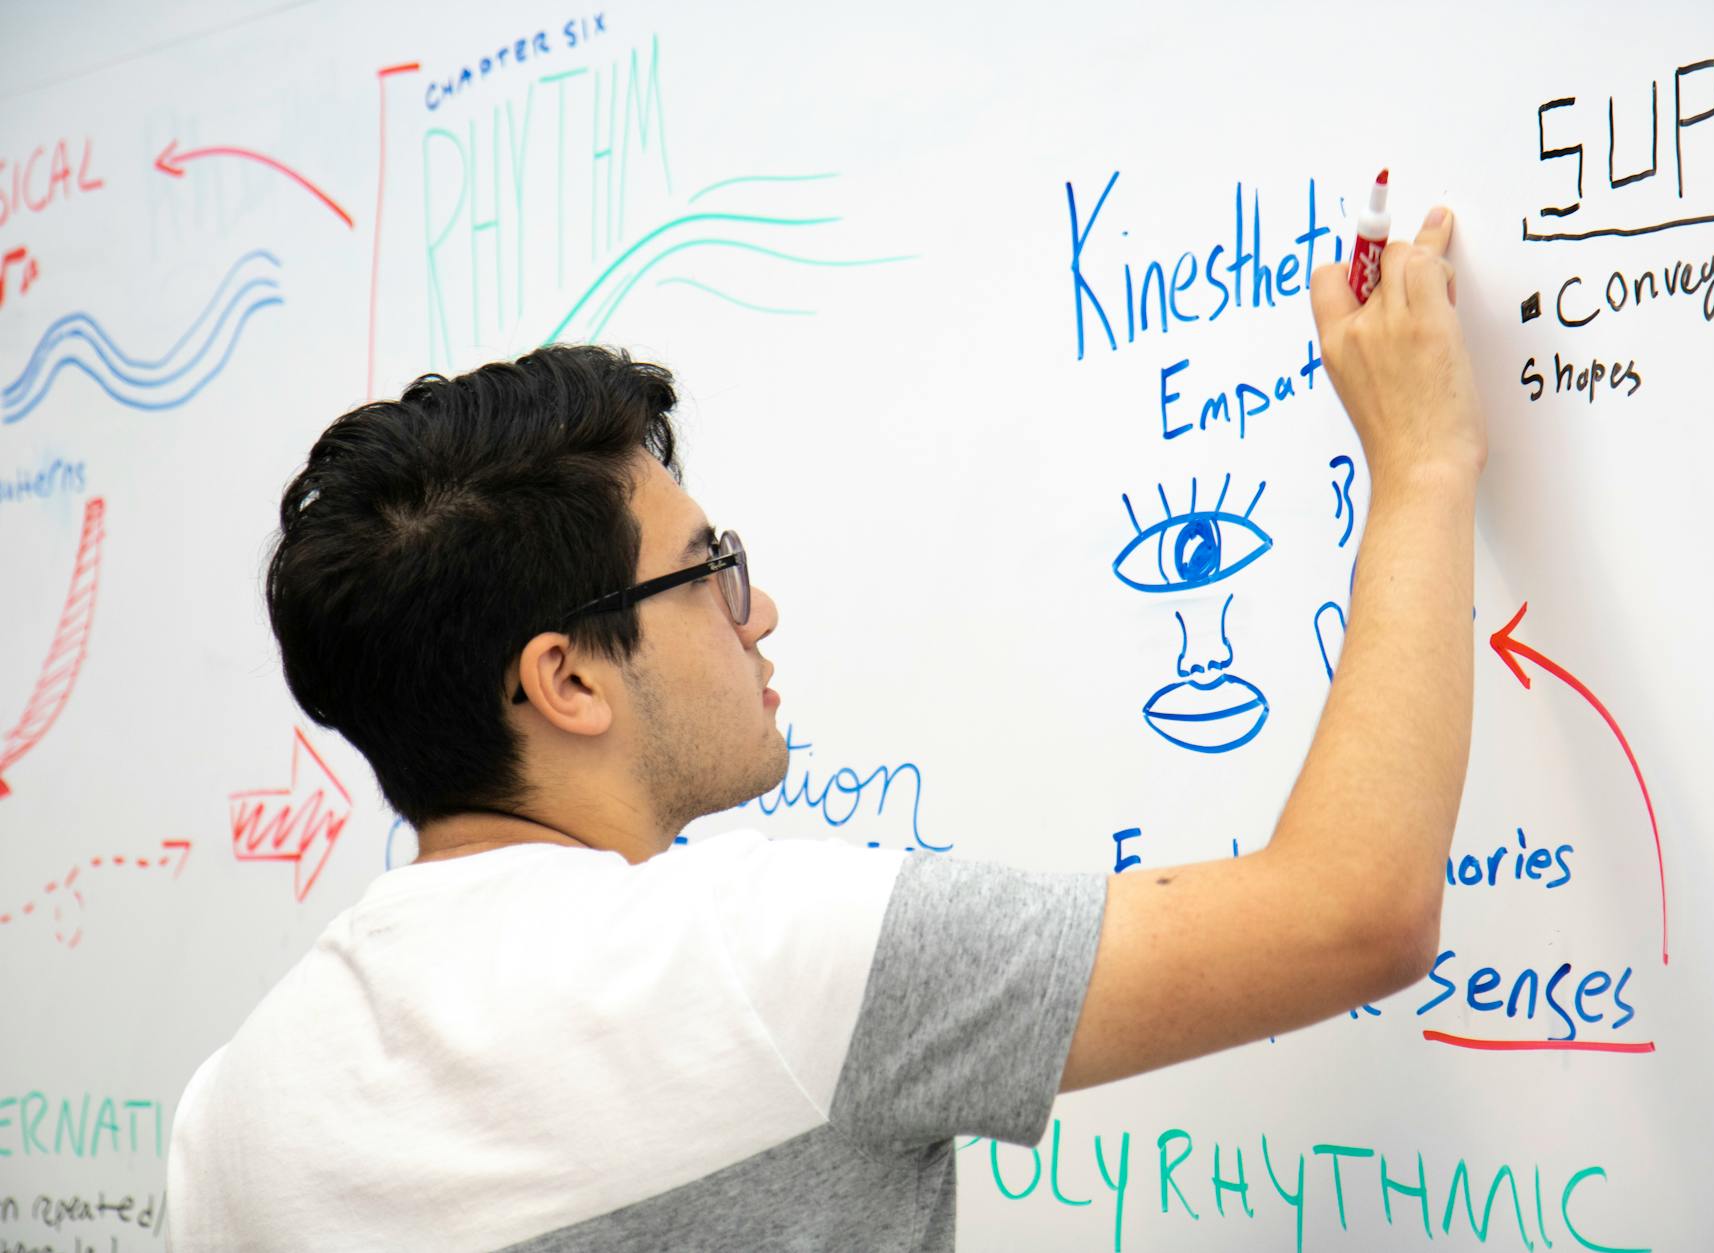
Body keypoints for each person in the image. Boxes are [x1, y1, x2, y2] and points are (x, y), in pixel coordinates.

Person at [165, 205, 1483, 1251]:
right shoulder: (759, 968)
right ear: (566, 681)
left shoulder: (230, 1119)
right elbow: (1356, 909)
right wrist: (1422, 467)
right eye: (708, 568)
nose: (761, 610)